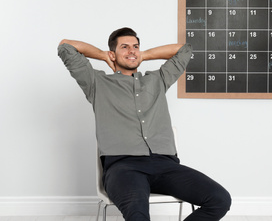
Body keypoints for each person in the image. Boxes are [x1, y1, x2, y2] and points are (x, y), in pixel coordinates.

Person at [58, 27, 231, 221]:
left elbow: (185, 50)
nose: (132, 50)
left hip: (165, 165)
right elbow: (66, 46)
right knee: (138, 215)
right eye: (125, 47)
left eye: (136, 46)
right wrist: (102, 55)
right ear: (113, 53)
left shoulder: (158, 80)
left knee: (220, 199)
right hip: (123, 167)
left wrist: (144, 55)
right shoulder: (97, 83)